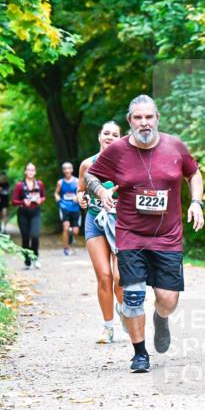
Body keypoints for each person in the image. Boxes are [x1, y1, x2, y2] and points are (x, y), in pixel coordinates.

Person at [84, 95, 204, 373]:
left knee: (168, 299)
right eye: (138, 118)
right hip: (130, 234)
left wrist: (197, 202)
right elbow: (91, 175)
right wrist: (100, 190)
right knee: (133, 295)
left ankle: (161, 320)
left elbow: (194, 174)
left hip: (168, 236)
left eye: (149, 117)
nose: (144, 122)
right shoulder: (117, 151)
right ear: (130, 122)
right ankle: (140, 354)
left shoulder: (175, 146)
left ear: (157, 119)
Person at [79, 121, 126, 344]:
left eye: (115, 134)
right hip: (95, 221)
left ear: (121, 138)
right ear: (99, 136)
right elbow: (80, 192)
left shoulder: (127, 163)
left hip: (120, 223)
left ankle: (125, 311)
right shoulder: (87, 164)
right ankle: (107, 328)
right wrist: (81, 198)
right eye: (106, 133)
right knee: (104, 277)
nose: (110, 137)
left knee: (120, 277)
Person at [12, 163, 46, 269]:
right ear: (25, 172)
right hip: (23, 214)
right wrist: (22, 202)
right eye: (28, 170)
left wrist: (40, 200)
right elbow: (13, 201)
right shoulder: (20, 185)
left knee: (35, 236)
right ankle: (27, 260)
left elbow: (43, 197)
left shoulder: (39, 184)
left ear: (35, 172)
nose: (30, 172)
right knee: (25, 238)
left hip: (35, 212)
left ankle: (35, 257)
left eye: (32, 170)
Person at [55, 162, 81, 256]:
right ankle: (66, 248)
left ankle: (70, 237)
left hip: (75, 208)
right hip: (64, 206)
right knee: (65, 227)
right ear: (63, 170)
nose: (67, 170)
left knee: (75, 231)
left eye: (68, 168)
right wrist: (57, 197)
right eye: (65, 169)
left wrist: (78, 196)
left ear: (72, 169)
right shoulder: (60, 182)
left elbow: (81, 192)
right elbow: (56, 193)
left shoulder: (77, 181)